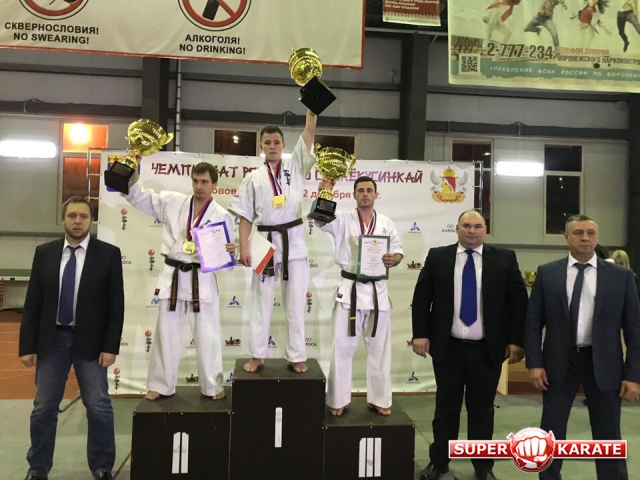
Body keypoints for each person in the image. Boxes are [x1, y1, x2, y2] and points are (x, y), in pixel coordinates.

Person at [412, 210, 528, 480]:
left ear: (485, 229)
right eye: (466, 226)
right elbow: (422, 297)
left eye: (477, 226)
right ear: (457, 229)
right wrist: (420, 334)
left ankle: (482, 466)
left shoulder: (504, 258)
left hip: (487, 350)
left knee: (482, 411)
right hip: (448, 348)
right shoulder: (438, 256)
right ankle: (439, 462)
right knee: (445, 409)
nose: (472, 231)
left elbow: (518, 302)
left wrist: (516, 340)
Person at [525, 214, 640, 480]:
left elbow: (634, 329)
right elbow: (533, 322)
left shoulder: (622, 277)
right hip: (558, 362)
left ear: (597, 238)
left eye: (590, 233)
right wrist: (534, 363)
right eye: (578, 233)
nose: (585, 238)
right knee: (551, 429)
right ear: (566, 237)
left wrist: (633, 375)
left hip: (605, 363)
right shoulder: (548, 273)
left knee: (608, 432)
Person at [19, 196, 125, 480]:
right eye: (72, 216)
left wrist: (110, 347)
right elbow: (33, 303)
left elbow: (116, 305)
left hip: (91, 343)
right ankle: (37, 468)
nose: (78, 221)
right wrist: (27, 346)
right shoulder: (44, 253)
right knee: (43, 409)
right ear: (63, 219)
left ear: (91, 221)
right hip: (51, 341)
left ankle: (102, 467)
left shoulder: (108, 254)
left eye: (83, 216)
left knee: (99, 407)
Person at [123, 161, 235, 401]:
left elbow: (225, 255)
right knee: (166, 333)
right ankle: (161, 385)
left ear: (214, 185)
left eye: (204, 182)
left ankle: (212, 386)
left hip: (201, 278)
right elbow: (142, 198)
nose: (199, 186)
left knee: (208, 335)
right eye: (195, 181)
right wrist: (129, 172)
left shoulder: (222, 216)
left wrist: (228, 252)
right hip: (173, 276)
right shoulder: (173, 202)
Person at [229, 110, 316, 373]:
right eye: (267, 142)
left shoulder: (296, 166)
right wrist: (244, 248)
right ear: (261, 146)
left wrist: (311, 112)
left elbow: (309, 132)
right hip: (263, 242)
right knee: (261, 302)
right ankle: (257, 355)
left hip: (293, 242)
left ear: (284, 145)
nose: (272, 146)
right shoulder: (253, 178)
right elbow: (245, 217)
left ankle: (296, 355)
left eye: (276, 142)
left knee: (295, 303)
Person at [316, 176, 403, 416]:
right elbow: (321, 219)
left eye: (369, 190)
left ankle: (379, 399)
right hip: (350, 291)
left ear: (376, 195)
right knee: (342, 348)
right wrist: (325, 193)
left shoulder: (386, 222)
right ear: (354, 195)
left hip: (377, 291)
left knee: (380, 349)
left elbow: (398, 252)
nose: (365, 194)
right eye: (361, 190)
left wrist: (393, 259)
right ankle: (338, 400)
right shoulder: (343, 218)